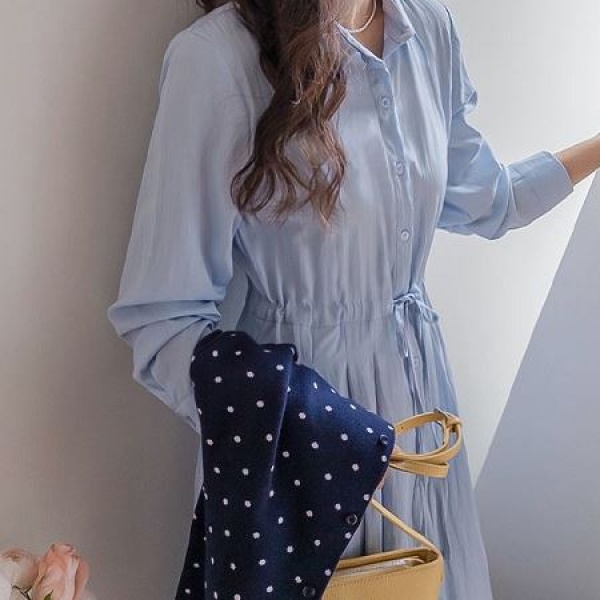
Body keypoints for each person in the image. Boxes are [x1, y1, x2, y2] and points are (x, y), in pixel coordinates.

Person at [106, 0, 599, 598]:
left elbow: (491, 200)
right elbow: (162, 320)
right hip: (303, 447)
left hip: (421, 409)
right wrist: (312, 428)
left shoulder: (427, 28)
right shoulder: (217, 58)